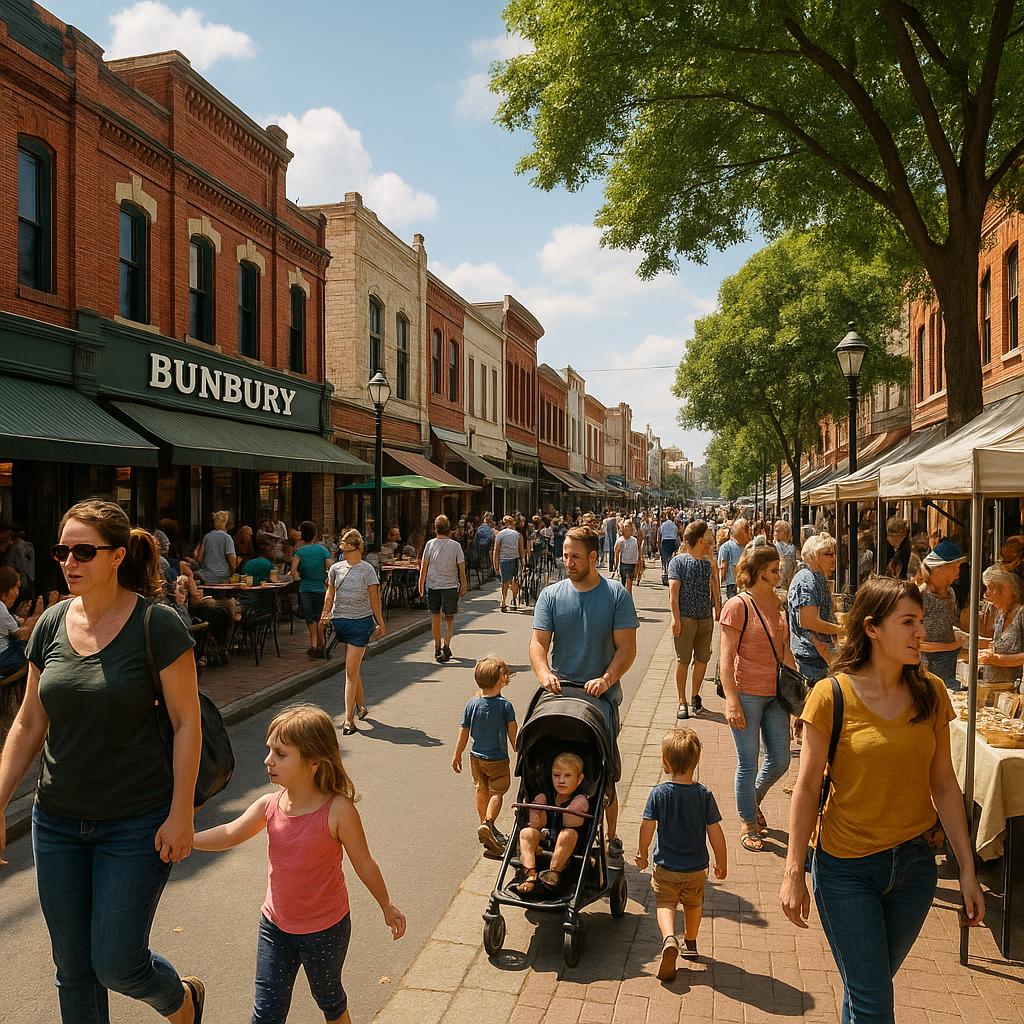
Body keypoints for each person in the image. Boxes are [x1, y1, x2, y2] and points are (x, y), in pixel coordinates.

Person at [0, 499, 204, 1023]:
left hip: (136, 821)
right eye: (62, 550)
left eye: (84, 551)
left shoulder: (156, 624)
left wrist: (182, 812)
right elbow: (28, 722)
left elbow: (187, 723)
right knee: (72, 969)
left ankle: (180, 999)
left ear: (116, 557)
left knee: (116, 962)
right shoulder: (49, 624)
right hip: (58, 820)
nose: (70, 561)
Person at [780, 577, 984, 1024]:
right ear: (872, 628)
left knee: (866, 991)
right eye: (908, 622)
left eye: (920, 622)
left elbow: (945, 784)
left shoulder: (930, 692)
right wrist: (794, 870)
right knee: (874, 1002)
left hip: (913, 870)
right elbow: (808, 786)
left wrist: (967, 869)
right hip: (845, 869)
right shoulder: (830, 695)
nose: (921, 632)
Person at [193, 705, 405, 1024]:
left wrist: (386, 904)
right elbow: (229, 833)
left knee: (329, 999)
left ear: (313, 762)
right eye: (269, 751)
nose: (268, 760)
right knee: (265, 1013)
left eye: (280, 753)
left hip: (325, 929)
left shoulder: (338, 811)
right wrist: (188, 839)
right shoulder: (270, 804)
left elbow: (364, 863)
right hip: (275, 926)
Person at [530, 526, 638, 860]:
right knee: (543, 754)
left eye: (575, 556)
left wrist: (606, 679)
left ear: (594, 557)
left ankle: (612, 835)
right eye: (565, 555)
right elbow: (538, 643)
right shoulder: (551, 595)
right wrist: (544, 672)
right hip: (560, 693)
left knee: (603, 769)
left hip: (598, 699)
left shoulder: (616, 595)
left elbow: (627, 649)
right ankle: (540, 823)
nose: (568, 562)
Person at [720, 545, 796, 853]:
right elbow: (726, 659)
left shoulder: (777, 602)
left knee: (780, 760)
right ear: (760, 572)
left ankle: (752, 801)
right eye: (775, 570)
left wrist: (798, 697)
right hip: (747, 692)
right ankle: (748, 822)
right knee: (748, 762)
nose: (780, 574)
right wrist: (731, 699)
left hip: (777, 694)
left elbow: (785, 652)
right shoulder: (738, 606)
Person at [635, 729, 727, 981]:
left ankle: (668, 938)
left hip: (665, 866)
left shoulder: (659, 794)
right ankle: (691, 942)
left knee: (665, 903)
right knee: (693, 904)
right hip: (696, 868)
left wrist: (642, 854)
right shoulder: (703, 795)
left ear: (666, 762)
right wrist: (722, 861)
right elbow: (715, 831)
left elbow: (647, 826)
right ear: (696, 762)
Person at [320, 530, 385, 736]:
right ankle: (362, 706)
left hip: (360, 623)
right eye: (342, 547)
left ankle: (348, 720)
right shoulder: (336, 569)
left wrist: (379, 621)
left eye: (347, 547)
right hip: (340, 622)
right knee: (353, 668)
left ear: (357, 548)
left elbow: (374, 599)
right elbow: (330, 592)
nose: (344, 551)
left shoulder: (367, 570)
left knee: (349, 672)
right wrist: (325, 613)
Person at [451, 657, 518, 855]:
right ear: (500, 680)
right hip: (497, 758)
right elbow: (513, 734)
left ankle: (484, 824)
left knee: (481, 789)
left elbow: (463, 731)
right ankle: (488, 823)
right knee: (497, 792)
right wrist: (519, 751)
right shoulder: (505, 706)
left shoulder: (471, 704)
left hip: (476, 757)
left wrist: (457, 754)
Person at [510, 752, 590, 898]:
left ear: (579, 779)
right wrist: (537, 810)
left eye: (568, 776)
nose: (561, 781)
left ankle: (552, 874)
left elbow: (570, 821)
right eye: (556, 775)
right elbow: (536, 823)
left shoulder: (580, 799)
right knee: (526, 832)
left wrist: (572, 808)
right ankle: (531, 873)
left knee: (568, 833)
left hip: (571, 852)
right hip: (545, 844)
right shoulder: (546, 795)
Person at [668, 521, 720, 720]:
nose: (709, 540)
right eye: (706, 537)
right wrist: (676, 618)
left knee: (702, 659)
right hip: (686, 618)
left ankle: (694, 695)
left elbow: (714, 585)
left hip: (705, 617)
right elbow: (674, 592)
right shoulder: (678, 562)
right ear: (699, 540)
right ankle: (681, 701)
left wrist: (718, 606)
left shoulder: (708, 561)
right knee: (683, 660)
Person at [787, 534, 841, 682]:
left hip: (819, 656)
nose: (834, 558)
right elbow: (809, 622)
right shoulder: (806, 579)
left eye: (834, 553)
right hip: (810, 659)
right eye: (828, 554)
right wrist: (842, 629)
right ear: (814, 556)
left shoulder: (818, 576)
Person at [919, 540, 968, 690]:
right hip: (927, 669)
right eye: (954, 567)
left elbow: (945, 625)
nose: (958, 571)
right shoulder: (921, 595)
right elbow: (917, 643)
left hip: (949, 666)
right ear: (939, 568)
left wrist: (960, 635)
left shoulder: (951, 593)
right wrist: (950, 646)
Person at [418, 515, 468, 663]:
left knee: (435, 617)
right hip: (450, 586)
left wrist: (421, 583)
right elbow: (461, 567)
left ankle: (437, 646)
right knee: (449, 618)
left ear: (435, 529)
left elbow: (424, 566)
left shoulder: (430, 544)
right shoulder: (455, 546)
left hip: (432, 585)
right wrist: (464, 583)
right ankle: (446, 643)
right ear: (449, 530)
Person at [291, 521, 333, 659]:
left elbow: (293, 570)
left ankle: (314, 644)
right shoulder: (322, 550)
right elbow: (330, 568)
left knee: (310, 617)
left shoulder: (300, 551)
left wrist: (299, 580)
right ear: (315, 535)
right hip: (320, 588)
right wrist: (327, 580)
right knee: (320, 615)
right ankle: (322, 644)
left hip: (305, 588)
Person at [978, 563, 1024, 682]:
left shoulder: (1021, 614)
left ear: (1006, 590)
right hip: (996, 689)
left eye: (990, 588)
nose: (986, 594)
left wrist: (998, 660)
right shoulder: (1001, 614)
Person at [0, 566, 42, 673]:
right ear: (6, 589)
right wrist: (40, 617)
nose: (17, 593)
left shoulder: (4, 608)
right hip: (4, 657)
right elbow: (22, 634)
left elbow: (17, 620)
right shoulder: (1, 608)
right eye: (15, 588)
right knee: (34, 656)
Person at [492, 515, 525, 612]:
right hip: (515, 559)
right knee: (515, 580)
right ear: (512, 523)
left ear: (504, 523)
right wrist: (523, 563)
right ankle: (514, 599)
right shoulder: (517, 535)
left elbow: (496, 550)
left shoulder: (500, 534)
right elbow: (520, 550)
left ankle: (503, 601)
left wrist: (495, 565)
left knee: (504, 582)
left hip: (504, 560)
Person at [196, 510, 238, 584]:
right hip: (223, 578)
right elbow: (233, 565)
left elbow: (199, 559)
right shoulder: (227, 538)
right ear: (227, 524)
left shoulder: (207, 537)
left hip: (206, 577)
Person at [718, 518, 750, 600]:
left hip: (745, 584)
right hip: (733, 586)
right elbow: (723, 568)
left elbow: (722, 568)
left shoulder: (725, 547)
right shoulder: (726, 547)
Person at [613, 519, 644, 593]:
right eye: (625, 526)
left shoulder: (634, 540)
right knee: (623, 584)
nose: (627, 528)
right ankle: (624, 599)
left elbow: (638, 552)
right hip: (624, 564)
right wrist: (616, 565)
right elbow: (616, 553)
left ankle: (629, 599)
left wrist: (639, 564)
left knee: (629, 582)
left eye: (629, 526)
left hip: (632, 564)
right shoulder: (620, 540)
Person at [773, 520, 796, 590]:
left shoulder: (792, 548)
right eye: (775, 531)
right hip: (777, 584)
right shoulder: (772, 547)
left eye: (778, 531)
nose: (775, 533)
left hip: (788, 583)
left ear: (786, 533)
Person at [658, 514, 680, 586]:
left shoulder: (663, 525)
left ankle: (666, 574)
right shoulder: (674, 525)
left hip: (665, 542)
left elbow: (659, 534)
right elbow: (676, 535)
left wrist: (658, 544)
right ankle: (670, 573)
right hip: (672, 541)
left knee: (665, 559)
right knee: (671, 558)